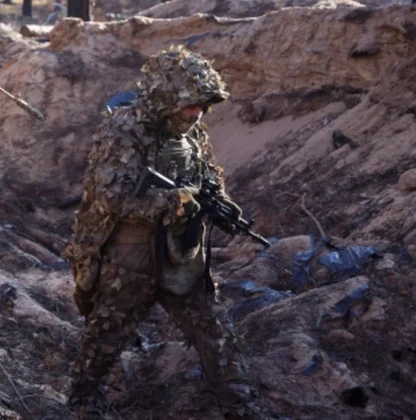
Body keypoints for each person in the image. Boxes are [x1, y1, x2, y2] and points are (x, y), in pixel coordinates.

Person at [63, 44, 261, 419]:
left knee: (214, 331)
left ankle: (240, 407)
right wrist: (173, 202)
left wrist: (219, 204)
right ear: (167, 98)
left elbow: (206, 178)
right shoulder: (124, 130)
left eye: (202, 106)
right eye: (190, 105)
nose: (196, 113)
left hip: (181, 253)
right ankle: (82, 400)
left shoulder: (192, 132)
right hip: (130, 256)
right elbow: (111, 197)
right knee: (107, 333)